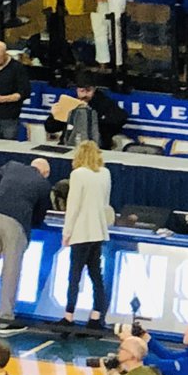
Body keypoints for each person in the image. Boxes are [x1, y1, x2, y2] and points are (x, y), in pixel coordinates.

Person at [0, 158, 52, 334]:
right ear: (45, 173)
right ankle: (6, 320)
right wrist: (31, 223)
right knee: (11, 271)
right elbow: (40, 214)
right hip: (15, 221)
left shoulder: (11, 165)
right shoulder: (43, 183)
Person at [60, 140, 112, 329]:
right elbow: (106, 203)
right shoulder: (105, 173)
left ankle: (68, 316)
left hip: (81, 231)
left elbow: (73, 206)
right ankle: (96, 316)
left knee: (74, 276)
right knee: (95, 274)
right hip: (98, 230)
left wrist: (67, 232)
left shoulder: (78, 174)